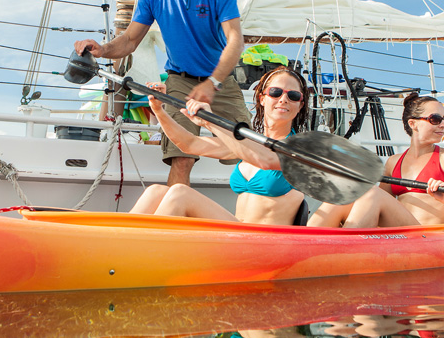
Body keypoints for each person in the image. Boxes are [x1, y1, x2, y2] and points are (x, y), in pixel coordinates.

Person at [73, 0, 248, 186]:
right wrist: (103, 49)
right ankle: (175, 219)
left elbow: (235, 39)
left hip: (221, 81)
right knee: (182, 156)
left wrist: (212, 84)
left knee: (247, 151)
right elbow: (130, 40)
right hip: (180, 81)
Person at [129, 66, 309, 226]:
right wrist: (159, 110)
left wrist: (209, 123)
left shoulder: (298, 149)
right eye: (276, 92)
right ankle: (118, 246)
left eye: (293, 95)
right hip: (237, 232)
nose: (283, 99)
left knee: (180, 193)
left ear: (300, 105)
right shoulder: (250, 144)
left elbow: (265, 159)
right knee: (156, 191)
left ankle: (140, 255)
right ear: (262, 98)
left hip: (266, 241)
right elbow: (189, 144)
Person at [308, 93, 444, 228]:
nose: (443, 124)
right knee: (348, 195)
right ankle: (306, 241)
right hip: (400, 232)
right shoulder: (393, 161)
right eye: (435, 119)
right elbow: (376, 204)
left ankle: (345, 251)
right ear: (413, 123)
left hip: (427, 236)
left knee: (372, 192)